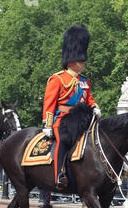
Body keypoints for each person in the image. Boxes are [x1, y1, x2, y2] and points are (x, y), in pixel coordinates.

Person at [42, 25, 101, 190]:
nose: (83, 62)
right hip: (63, 119)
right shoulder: (58, 79)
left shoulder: (84, 81)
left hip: (83, 120)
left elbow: (89, 98)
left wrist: (95, 107)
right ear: (71, 59)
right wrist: (47, 125)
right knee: (64, 140)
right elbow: (49, 103)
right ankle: (59, 175)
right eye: (80, 59)